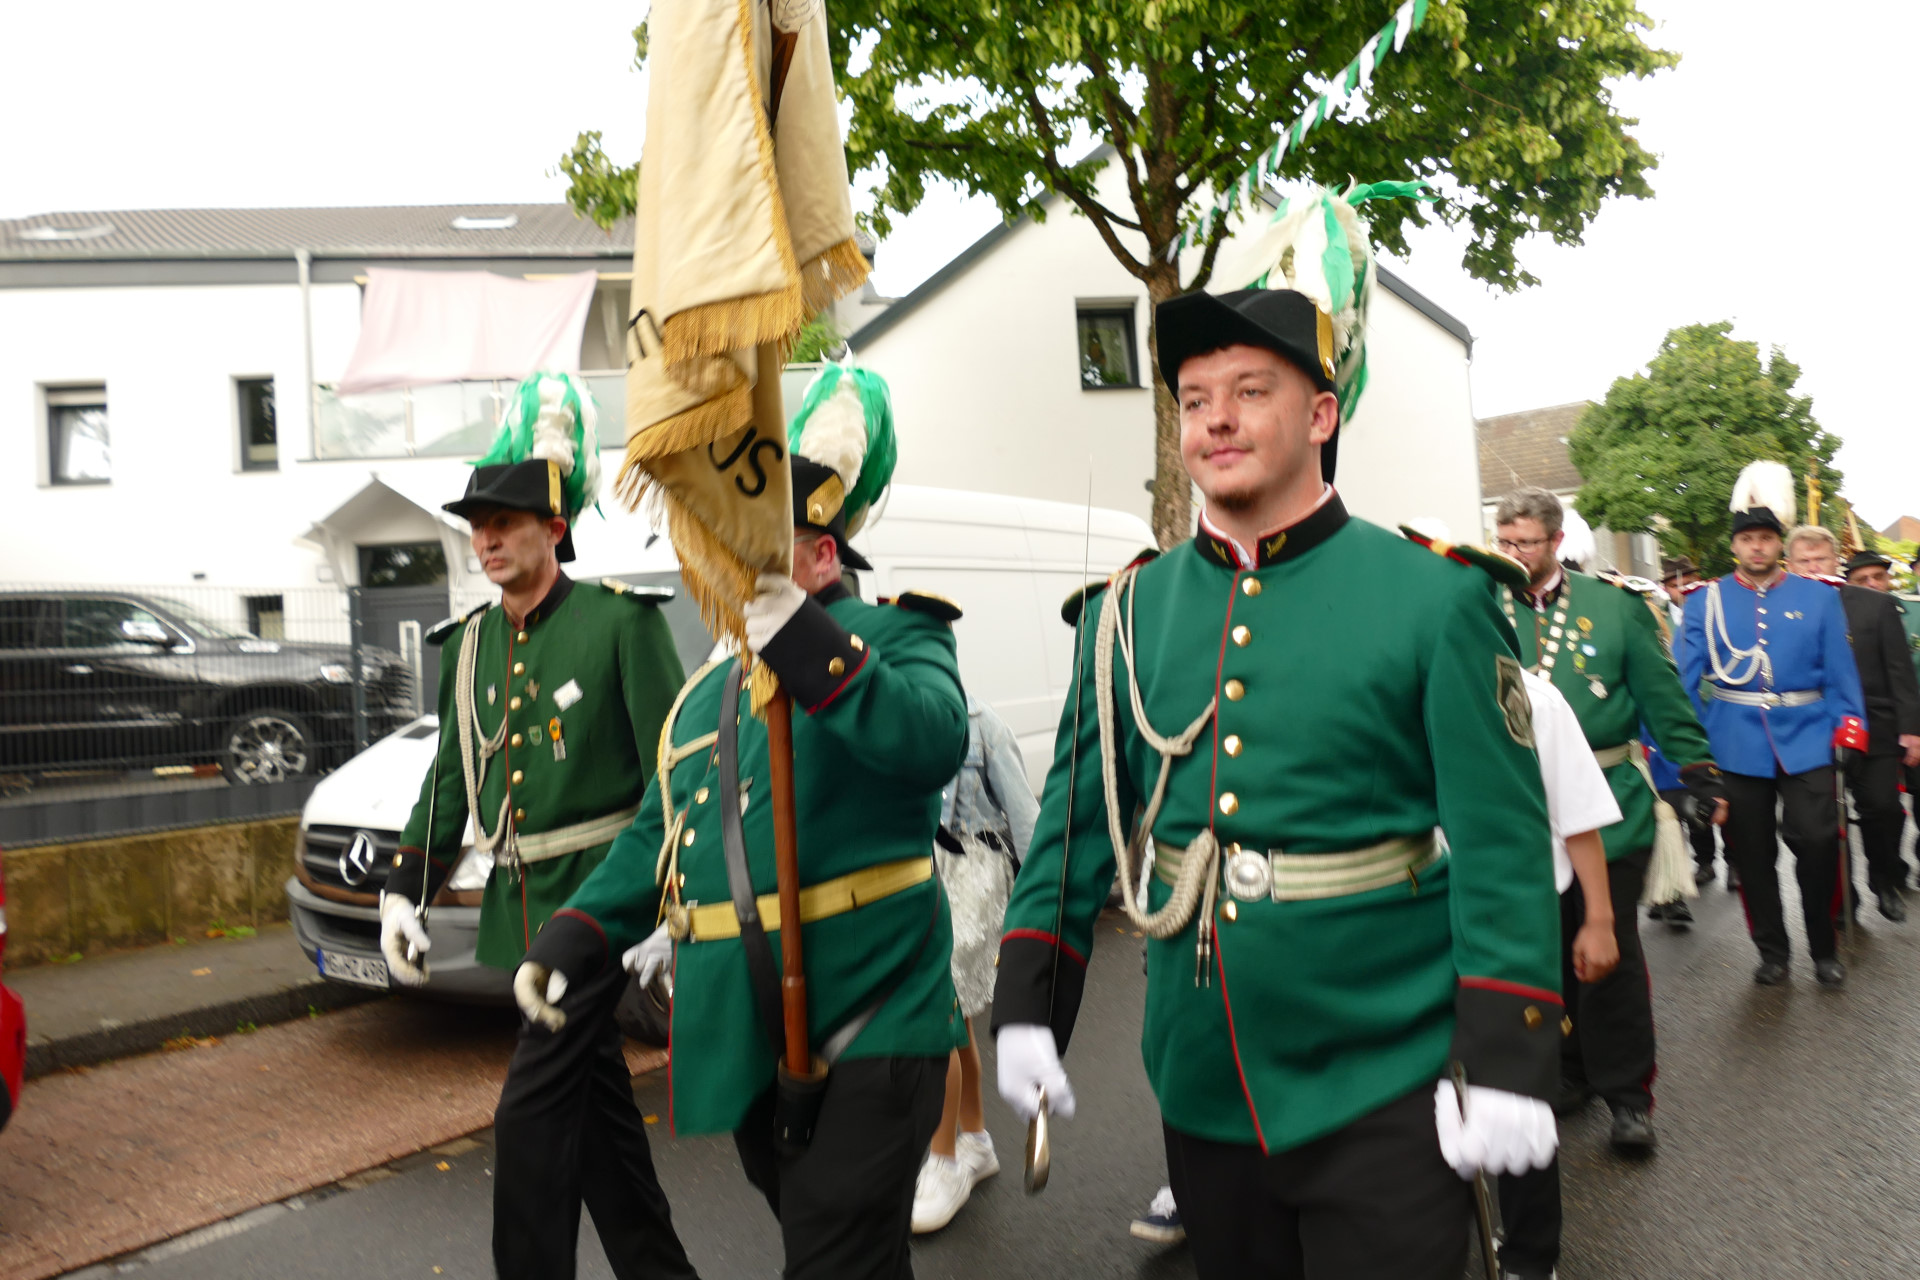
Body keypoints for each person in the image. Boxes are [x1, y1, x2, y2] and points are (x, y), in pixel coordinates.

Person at [992, 182, 1563, 1280]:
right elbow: (1072, 826)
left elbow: (1498, 843)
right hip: (1203, 1076)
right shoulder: (1126, 613)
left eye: (1251, 391)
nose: (1215, 418)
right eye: (1195, 397)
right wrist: (1029, 1004)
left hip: (1383, 1074)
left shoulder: (1435, 598)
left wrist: (1508, 1055)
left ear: (1322, 415)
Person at [515, 365, 972, 1280]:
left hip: (878, 1013)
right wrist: (572, 937)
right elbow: (660, 837)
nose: (728, 570)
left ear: (824, 555)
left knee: (832, 1257)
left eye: (757, 549)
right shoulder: (705, 696)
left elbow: (931, 741)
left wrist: (802, 640)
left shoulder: (897, 637)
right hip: (752, 1034)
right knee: (848, 1250)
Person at [377, 373, 696, 1280]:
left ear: (555, 529)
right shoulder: (469, 646)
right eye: (477, 524)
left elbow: (678, 779)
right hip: (519, 913)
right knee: (600, 1132)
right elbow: (452, 781)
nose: (485, 538)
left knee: (527, 1119)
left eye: (505, 521)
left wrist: (669, 906)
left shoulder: (620, 625)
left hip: (601, 913)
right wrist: (404, 889)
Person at [1491, 487, 1723, 1153]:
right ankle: (1571, 1071)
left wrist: (1697, 769)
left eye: (1526, 543)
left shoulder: (1616, 608)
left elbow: (1661, 696)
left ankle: (1628, 1097)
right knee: (1549, 952)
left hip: (1609, 804)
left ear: (1556, 542)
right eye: (1504, 542)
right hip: (1518, 812)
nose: (1513, 554)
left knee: (1607, 953)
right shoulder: (1481, 605)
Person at [1679, 463, 1867, 987]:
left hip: (1808, 737)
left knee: (1819, 841)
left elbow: (1840, 673)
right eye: (1747, 539)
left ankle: (1824, 946)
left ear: (1779, 542)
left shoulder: (1819, 597)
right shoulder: (1705, 602)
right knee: (1752, 854)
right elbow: (1684, 684)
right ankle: (1772, 950)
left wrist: (1849, 727)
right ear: (1734, 546)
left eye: (1765, 538)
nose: (1756, 547)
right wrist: (1689, 753)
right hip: (1734, 743)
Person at [1495, 667, 1624, 1280]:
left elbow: (1577, 818)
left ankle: (1529, 1254)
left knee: (1516, 1089)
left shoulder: (1533, 698)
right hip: (1415, 911)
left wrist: (1598, 918)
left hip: (1519, 918)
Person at [911, 696, 1037, 1233]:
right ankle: (976, 1141)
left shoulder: (983, 725)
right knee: (952, 1012)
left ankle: (943, 1161)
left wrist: (1043, 910)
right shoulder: (891, 719)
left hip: (973, 875)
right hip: (916, 874)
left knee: (938, 1009)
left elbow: (1026, 818)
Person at [1784, 533, 1920, 918]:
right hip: (1809, 729)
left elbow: (1900, 671)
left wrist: (1911, 730)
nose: (1813, 568)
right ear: (1789, 566)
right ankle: (1842, 897)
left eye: (1821, 559)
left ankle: (1884, 878)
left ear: (1836, 562)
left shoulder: (1876, 604)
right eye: (1804, 561)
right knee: (1821, 823)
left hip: (1874, 724)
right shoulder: (1777, 610)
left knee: (1884, 808)